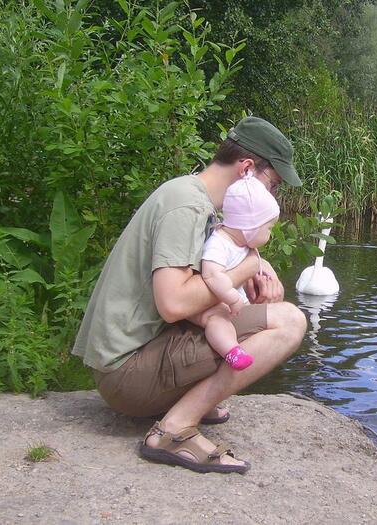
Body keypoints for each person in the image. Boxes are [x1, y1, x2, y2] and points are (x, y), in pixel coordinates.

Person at [72, 117, 307, 474]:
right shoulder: (187, 207)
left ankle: (188, 399)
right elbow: (174, 304)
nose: (272, 195)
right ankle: (174, 429)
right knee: (290, 322)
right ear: (247, 169)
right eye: (272, 184)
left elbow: (202, 281)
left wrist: (254, 268)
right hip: (127, 373)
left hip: (132, 358)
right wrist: (246, 268)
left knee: (262, 312)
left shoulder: (195, 199)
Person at [189, 173, 280, 371]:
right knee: (218, 320)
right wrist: (232, 298)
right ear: (249, 227)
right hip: (212, 305)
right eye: (268, 229)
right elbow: (212, 275)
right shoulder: (219, 244)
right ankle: (230, 352)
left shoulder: (241, 244)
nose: (270, 235)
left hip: (231, 304)